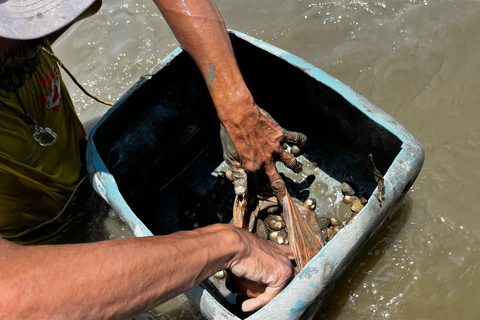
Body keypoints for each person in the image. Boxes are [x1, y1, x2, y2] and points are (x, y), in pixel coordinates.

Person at [0, 0, 307, 318]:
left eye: (32, 25)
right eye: (15, 36)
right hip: (35, 241)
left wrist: (234, 104)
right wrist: (229, 245)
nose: (34, 47)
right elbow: (14, 296)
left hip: (76, 162)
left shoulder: (20, 37)